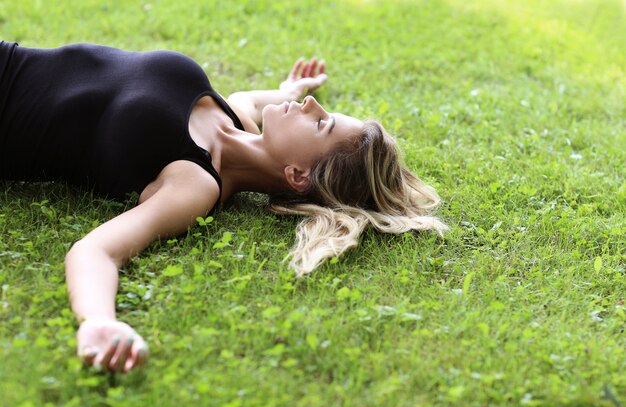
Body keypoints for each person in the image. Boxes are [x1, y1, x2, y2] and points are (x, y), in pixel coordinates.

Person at [0, 41, 447, 373]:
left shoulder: (194, 184)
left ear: (296, 175)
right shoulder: (237, 120)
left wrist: (97, 320)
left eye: (321, 122)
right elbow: (252, 100)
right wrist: (289, 88)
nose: (311, 104)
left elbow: (97, 250)